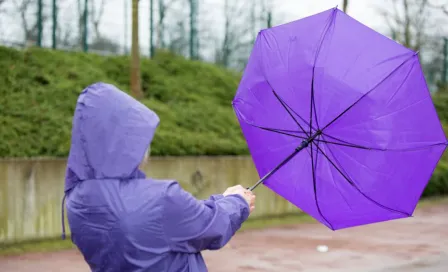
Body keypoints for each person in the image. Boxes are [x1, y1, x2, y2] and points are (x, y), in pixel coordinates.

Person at [62, 82, 256, 272]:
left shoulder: (76, 201)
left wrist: (223, 200)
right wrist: (237, 202)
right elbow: (210, 225)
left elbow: (176, 220)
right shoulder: (162, 198)